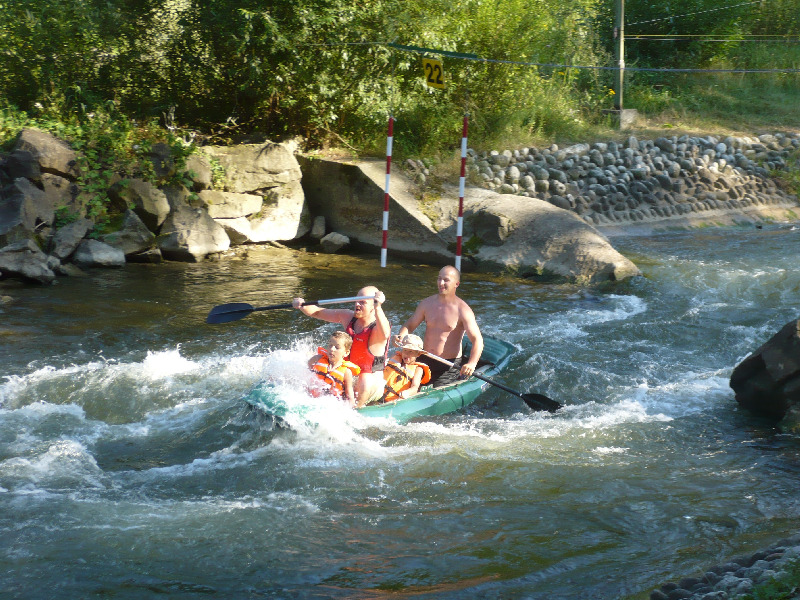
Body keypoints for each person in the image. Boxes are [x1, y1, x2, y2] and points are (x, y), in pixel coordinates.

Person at [293, 286, 390, 407]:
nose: (357, 304)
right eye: (356, 300)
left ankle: (355, 410)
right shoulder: (348, 316)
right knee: (316, 359)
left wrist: (378, 307)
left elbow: (386, 333)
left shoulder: (377, 328)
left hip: (370, 380)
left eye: (363, 302)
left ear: (373, 307)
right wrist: (302, 305)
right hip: (347, 373)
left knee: (365, 380)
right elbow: (318, 312)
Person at [394, 265, 483, 387]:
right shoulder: (426, 304)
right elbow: (410, 324)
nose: (441, 283)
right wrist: (400, 336)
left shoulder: (463, 310)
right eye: (439, 278)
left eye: (446, 280)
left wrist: (472, 364)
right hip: (424, 359)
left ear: (456, 284)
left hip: (447, 366)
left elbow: (477, 339)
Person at [308, 331, 360, 407]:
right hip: (310, 399)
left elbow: (349, 394)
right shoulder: (317, 359)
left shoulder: (346, 372)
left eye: (337, 347)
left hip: (331, 405)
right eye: (330, 345)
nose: (332, 349)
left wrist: (352, 408)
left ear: (346, 353)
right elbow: (307, 370)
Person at [379, 334, 431, 403]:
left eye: (411, 351)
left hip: (396, 400)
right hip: (378, 394)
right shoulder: (394, 358)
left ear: (418, 354)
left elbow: (415, 387)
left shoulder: (418, 369)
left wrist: (407, 393)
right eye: (405, 350)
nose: (407, 354)